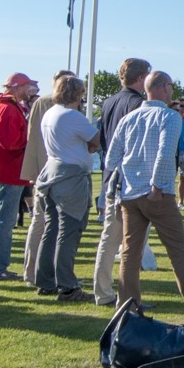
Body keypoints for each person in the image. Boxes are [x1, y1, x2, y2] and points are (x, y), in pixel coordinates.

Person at [103, 72, 184, 326]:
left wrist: (119, 188)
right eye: (170, 85)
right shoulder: (170, 117)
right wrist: (157, 187)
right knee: (178, 251)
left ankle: (127, 307)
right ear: (162, 88)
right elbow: (164, 154)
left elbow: (111, 159)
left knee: (130, 252)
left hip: (129, 194)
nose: (173, 90)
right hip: (155, 193)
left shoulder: (128, 119)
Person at [89, 58, 150, 306]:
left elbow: (103, 140)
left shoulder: (109, 102)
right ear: (141, 78)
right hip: (131, 180)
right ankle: (129, 296)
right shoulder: (138, 104)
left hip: (111, 177)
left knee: (110, 237)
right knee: (134, 241)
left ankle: (102, 291)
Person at [33, 73, 98, 303]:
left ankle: (45, 280)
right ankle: (67, 286)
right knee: (69, 231)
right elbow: (96, 140)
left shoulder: (50, 113)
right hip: (71, 176)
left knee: (51, 230)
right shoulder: (73, 116)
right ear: (77, 94)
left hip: (51, 172)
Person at [0, 71, 35, 281]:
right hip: (9, 170)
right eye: (26, 86)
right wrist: (30, 138)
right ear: (17, 87)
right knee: (5, 221)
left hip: (7, 169)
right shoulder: (8, 109)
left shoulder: (5, 107)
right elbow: (11, 142)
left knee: (4, 220)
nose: (28, 90)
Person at [19, 76, 57, 284]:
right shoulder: (50, 104)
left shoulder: (41, 103)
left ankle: (33, 271)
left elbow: (31, 137)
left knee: (40, 221)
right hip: (52, 171)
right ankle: (39, 271)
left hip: (42, 170)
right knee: (45, 222)